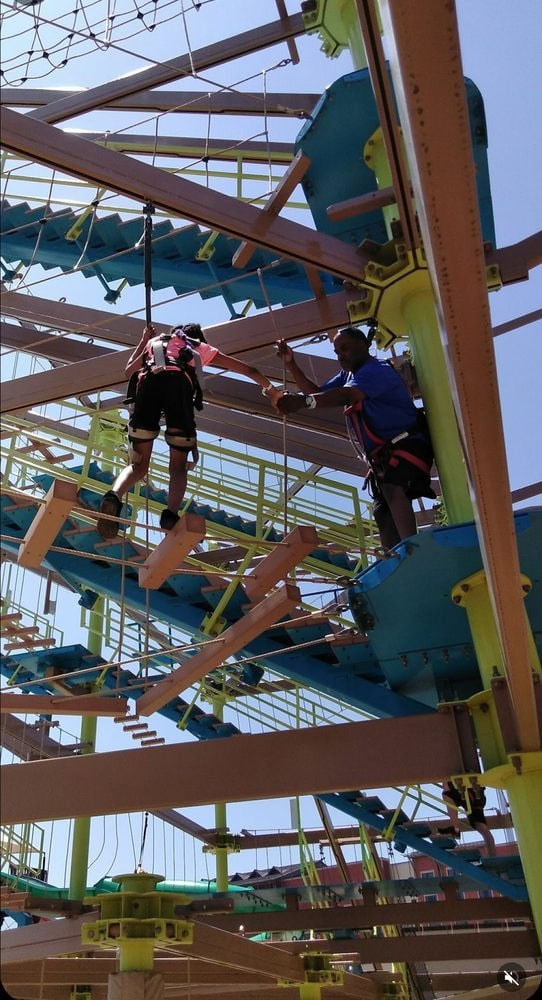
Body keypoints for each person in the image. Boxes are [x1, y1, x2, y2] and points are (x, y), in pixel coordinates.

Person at [97, 322, 281, 538]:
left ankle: (114, 495)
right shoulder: (195, 347)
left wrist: (144, 339)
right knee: (178, 467)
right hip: (178, 388)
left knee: (138, 464)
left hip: (149, 384)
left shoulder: (155, 343)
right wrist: (272, 391)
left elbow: (129, 371)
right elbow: (249, 369)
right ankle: (170, 514)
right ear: (199, 338)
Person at [274, 326, 434, 550]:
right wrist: (291, 363)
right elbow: (317, 393)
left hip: (407, 445)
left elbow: (346, 395)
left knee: (392, 488)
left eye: (345, 349)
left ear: (363, 345)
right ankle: (397, 559)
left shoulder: (375, 369)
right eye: (337, 352)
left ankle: (412, 549)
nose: (341, 356)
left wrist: (303, 402)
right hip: (385, 456)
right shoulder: (348, 375)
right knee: (382, 510)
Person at [440, 781, 497, 856]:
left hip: (470, 793)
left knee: (446, 793)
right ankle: (492, 856)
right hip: (473, 794)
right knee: (481, 827)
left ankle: (455, 828)